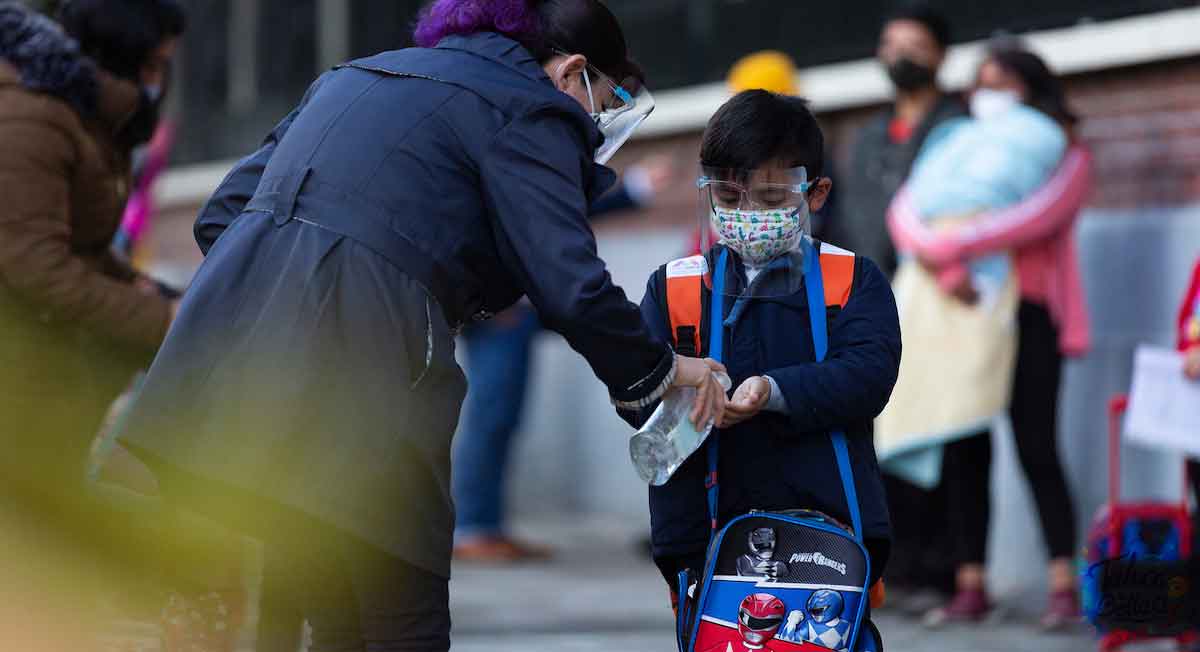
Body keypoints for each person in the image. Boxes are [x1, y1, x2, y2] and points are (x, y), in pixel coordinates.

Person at [116, 1, 726, 650]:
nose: (598, 120)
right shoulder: (533, 105)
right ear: (573, 71)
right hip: (371, 371)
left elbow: (222, 215)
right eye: (605, 98)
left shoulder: (360, 74)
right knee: (401, 613)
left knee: (301, 600)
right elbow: (570, 283)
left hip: (230, 364)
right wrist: (661, 369)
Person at [617, 91, 901, 632]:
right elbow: (634, 391)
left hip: (828, 532)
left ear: (815, 194)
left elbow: (869, 374)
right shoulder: (676, 287)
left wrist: (769, 391)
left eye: (771, 199)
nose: (748, 215)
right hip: (702, 538)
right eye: (728, 195)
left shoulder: (850, 279)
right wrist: (685, 396)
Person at [888, 45, 1092, 629]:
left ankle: (1062, 586)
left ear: (1032, 86)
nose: (987, 91)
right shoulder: (953, 146)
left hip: (1028, 313)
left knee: (1036, 446)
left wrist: (955, 244)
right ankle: (970, 583)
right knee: (963, 446)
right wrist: (944, 262)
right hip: (958, 307)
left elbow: (1043, 215)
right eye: (979, 81)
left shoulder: (1065, 151)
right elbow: (906, 213)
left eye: (1000, 79)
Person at [452, 155, 673, 563]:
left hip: (517, 301)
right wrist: (482, 294)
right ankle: (474, 527)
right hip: (499, 308)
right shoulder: (499, 133)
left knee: (501, 412)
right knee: (493, 412)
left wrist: (631, 191)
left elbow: (546, 205)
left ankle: (482, 524)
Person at [816, 3, 964, 606]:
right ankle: (895, 567)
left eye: (914, 43)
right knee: (879, 430)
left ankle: (944, 567)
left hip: (940, 304)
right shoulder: (868, 135)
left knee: (942, 434)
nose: (899, 54)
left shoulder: (960, 129)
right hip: (877, 303)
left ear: (940, 54)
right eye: (890, 42)